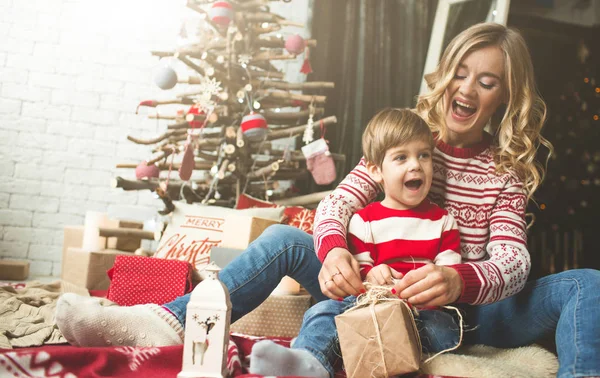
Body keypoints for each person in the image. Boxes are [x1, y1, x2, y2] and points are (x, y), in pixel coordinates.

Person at [55, 22, 600, 378]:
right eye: (461, 73)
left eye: (487, 82)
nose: (467, 88)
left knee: (588, 284)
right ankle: (167, 323)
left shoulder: (503, 172)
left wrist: (461, 279)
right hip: (376, 285)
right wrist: (336, 249)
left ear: (505, 96)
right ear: (445, 76)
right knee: (286, 240)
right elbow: (338, 202)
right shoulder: (406, 139)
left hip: (469, 310)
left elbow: (513, 260)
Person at [248, 107, 464, 378]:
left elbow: (449, 279)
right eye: (401, 157)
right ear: (375, 171)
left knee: (444, 330)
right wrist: (372, 275)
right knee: (326, 311)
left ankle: (391, 358)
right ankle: (308, 362)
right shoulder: (364, 221)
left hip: (425, 317)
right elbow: (358, 281)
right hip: (374, 309)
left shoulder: (444, 222)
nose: (415, 165)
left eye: (424, 155)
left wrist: (428, 287)